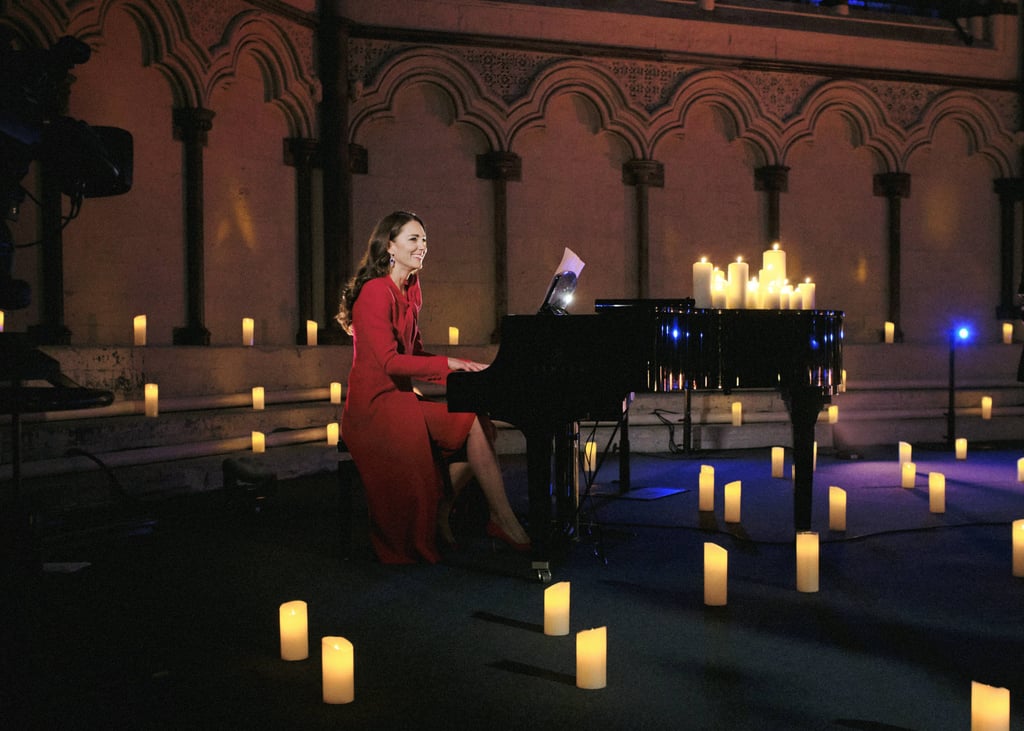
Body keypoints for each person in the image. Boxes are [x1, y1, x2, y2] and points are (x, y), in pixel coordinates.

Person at [337, 211, 531, 564]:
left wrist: (462, 367)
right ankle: (494, 519)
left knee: (478, 424)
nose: (422, 246)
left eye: (424, 239)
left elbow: (413, 355)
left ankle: (467, 512)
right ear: (389, 246)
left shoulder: (412, 290)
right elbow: (390, 362)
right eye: (413, 239)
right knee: (470, 426)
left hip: (399, 399)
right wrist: (449, 365)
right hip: (373, 408)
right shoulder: (375, 292)